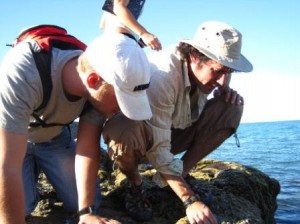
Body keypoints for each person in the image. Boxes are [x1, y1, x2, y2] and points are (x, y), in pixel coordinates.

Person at [102, 21, 253, 223]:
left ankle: (181, 172)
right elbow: (158, 147)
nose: (221, 80)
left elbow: (220, 81)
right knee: (125, 130)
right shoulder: (162, 76)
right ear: (194, 56)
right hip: (142, 140)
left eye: (229, 72)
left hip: (171, 130)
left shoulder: (209, 74)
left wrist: (225, 91)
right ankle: (135, 185)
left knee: (231, 107)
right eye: (218, 70)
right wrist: (189, 199)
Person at [0, 29, 152, 224]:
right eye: (122, 100)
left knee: (90, 203)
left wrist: (86, 213)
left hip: (53, 138)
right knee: (20, 208)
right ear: (93, 80)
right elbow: (7, 165)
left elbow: (87, 149)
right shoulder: (25, 71)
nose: (123, 110)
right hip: (11, 139)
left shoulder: (97, 92)